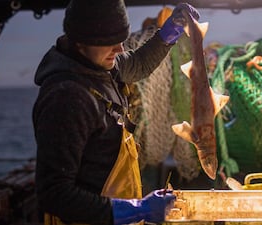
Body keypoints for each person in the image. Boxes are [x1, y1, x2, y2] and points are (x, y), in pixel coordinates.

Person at [32, 0, 199, 224]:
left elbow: (138, 63)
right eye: (109, 42)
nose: (120, 48)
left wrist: (169, 32)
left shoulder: (100, 65)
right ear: (81, 41)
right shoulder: (67, 98)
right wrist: (136, 209)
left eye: (120, 39)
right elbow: (54, 193)